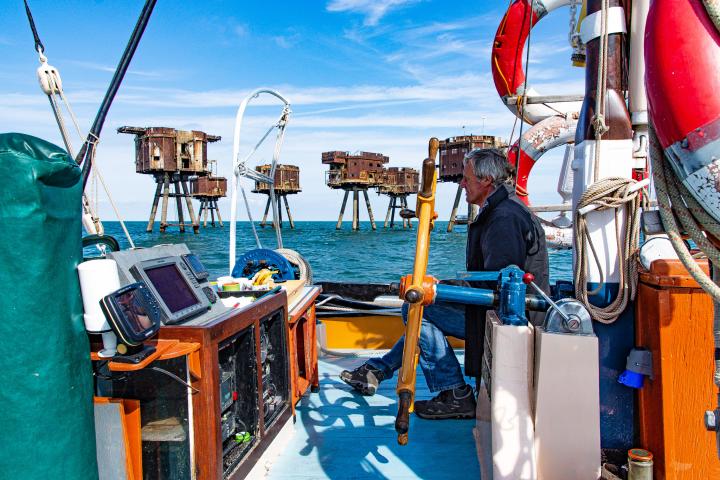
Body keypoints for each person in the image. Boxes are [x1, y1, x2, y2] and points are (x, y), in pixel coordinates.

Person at [340, 147, 549, 419]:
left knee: (420, 308)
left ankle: (455, 393)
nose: (462, 183)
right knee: (425, 308)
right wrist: (442, 286)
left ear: (486, 181)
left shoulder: (503, 219)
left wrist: (436, 289)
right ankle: (377, 370)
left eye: (467, 177)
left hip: (510, 319)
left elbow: (497, 282)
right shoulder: (506, 209)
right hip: (511, 312)